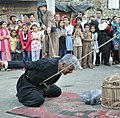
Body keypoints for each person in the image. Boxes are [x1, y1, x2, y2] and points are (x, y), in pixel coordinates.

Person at [0, 54, 80, 107]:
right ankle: (22, 95)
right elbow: (26, 64)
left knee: (57, 91)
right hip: (28, 84)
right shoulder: (46, 63)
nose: (71, 72)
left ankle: (38, 92)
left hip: (41, 85)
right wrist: (4, 64)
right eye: (70, 69)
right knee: (38, 100)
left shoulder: (59, 66)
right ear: (63, 64)